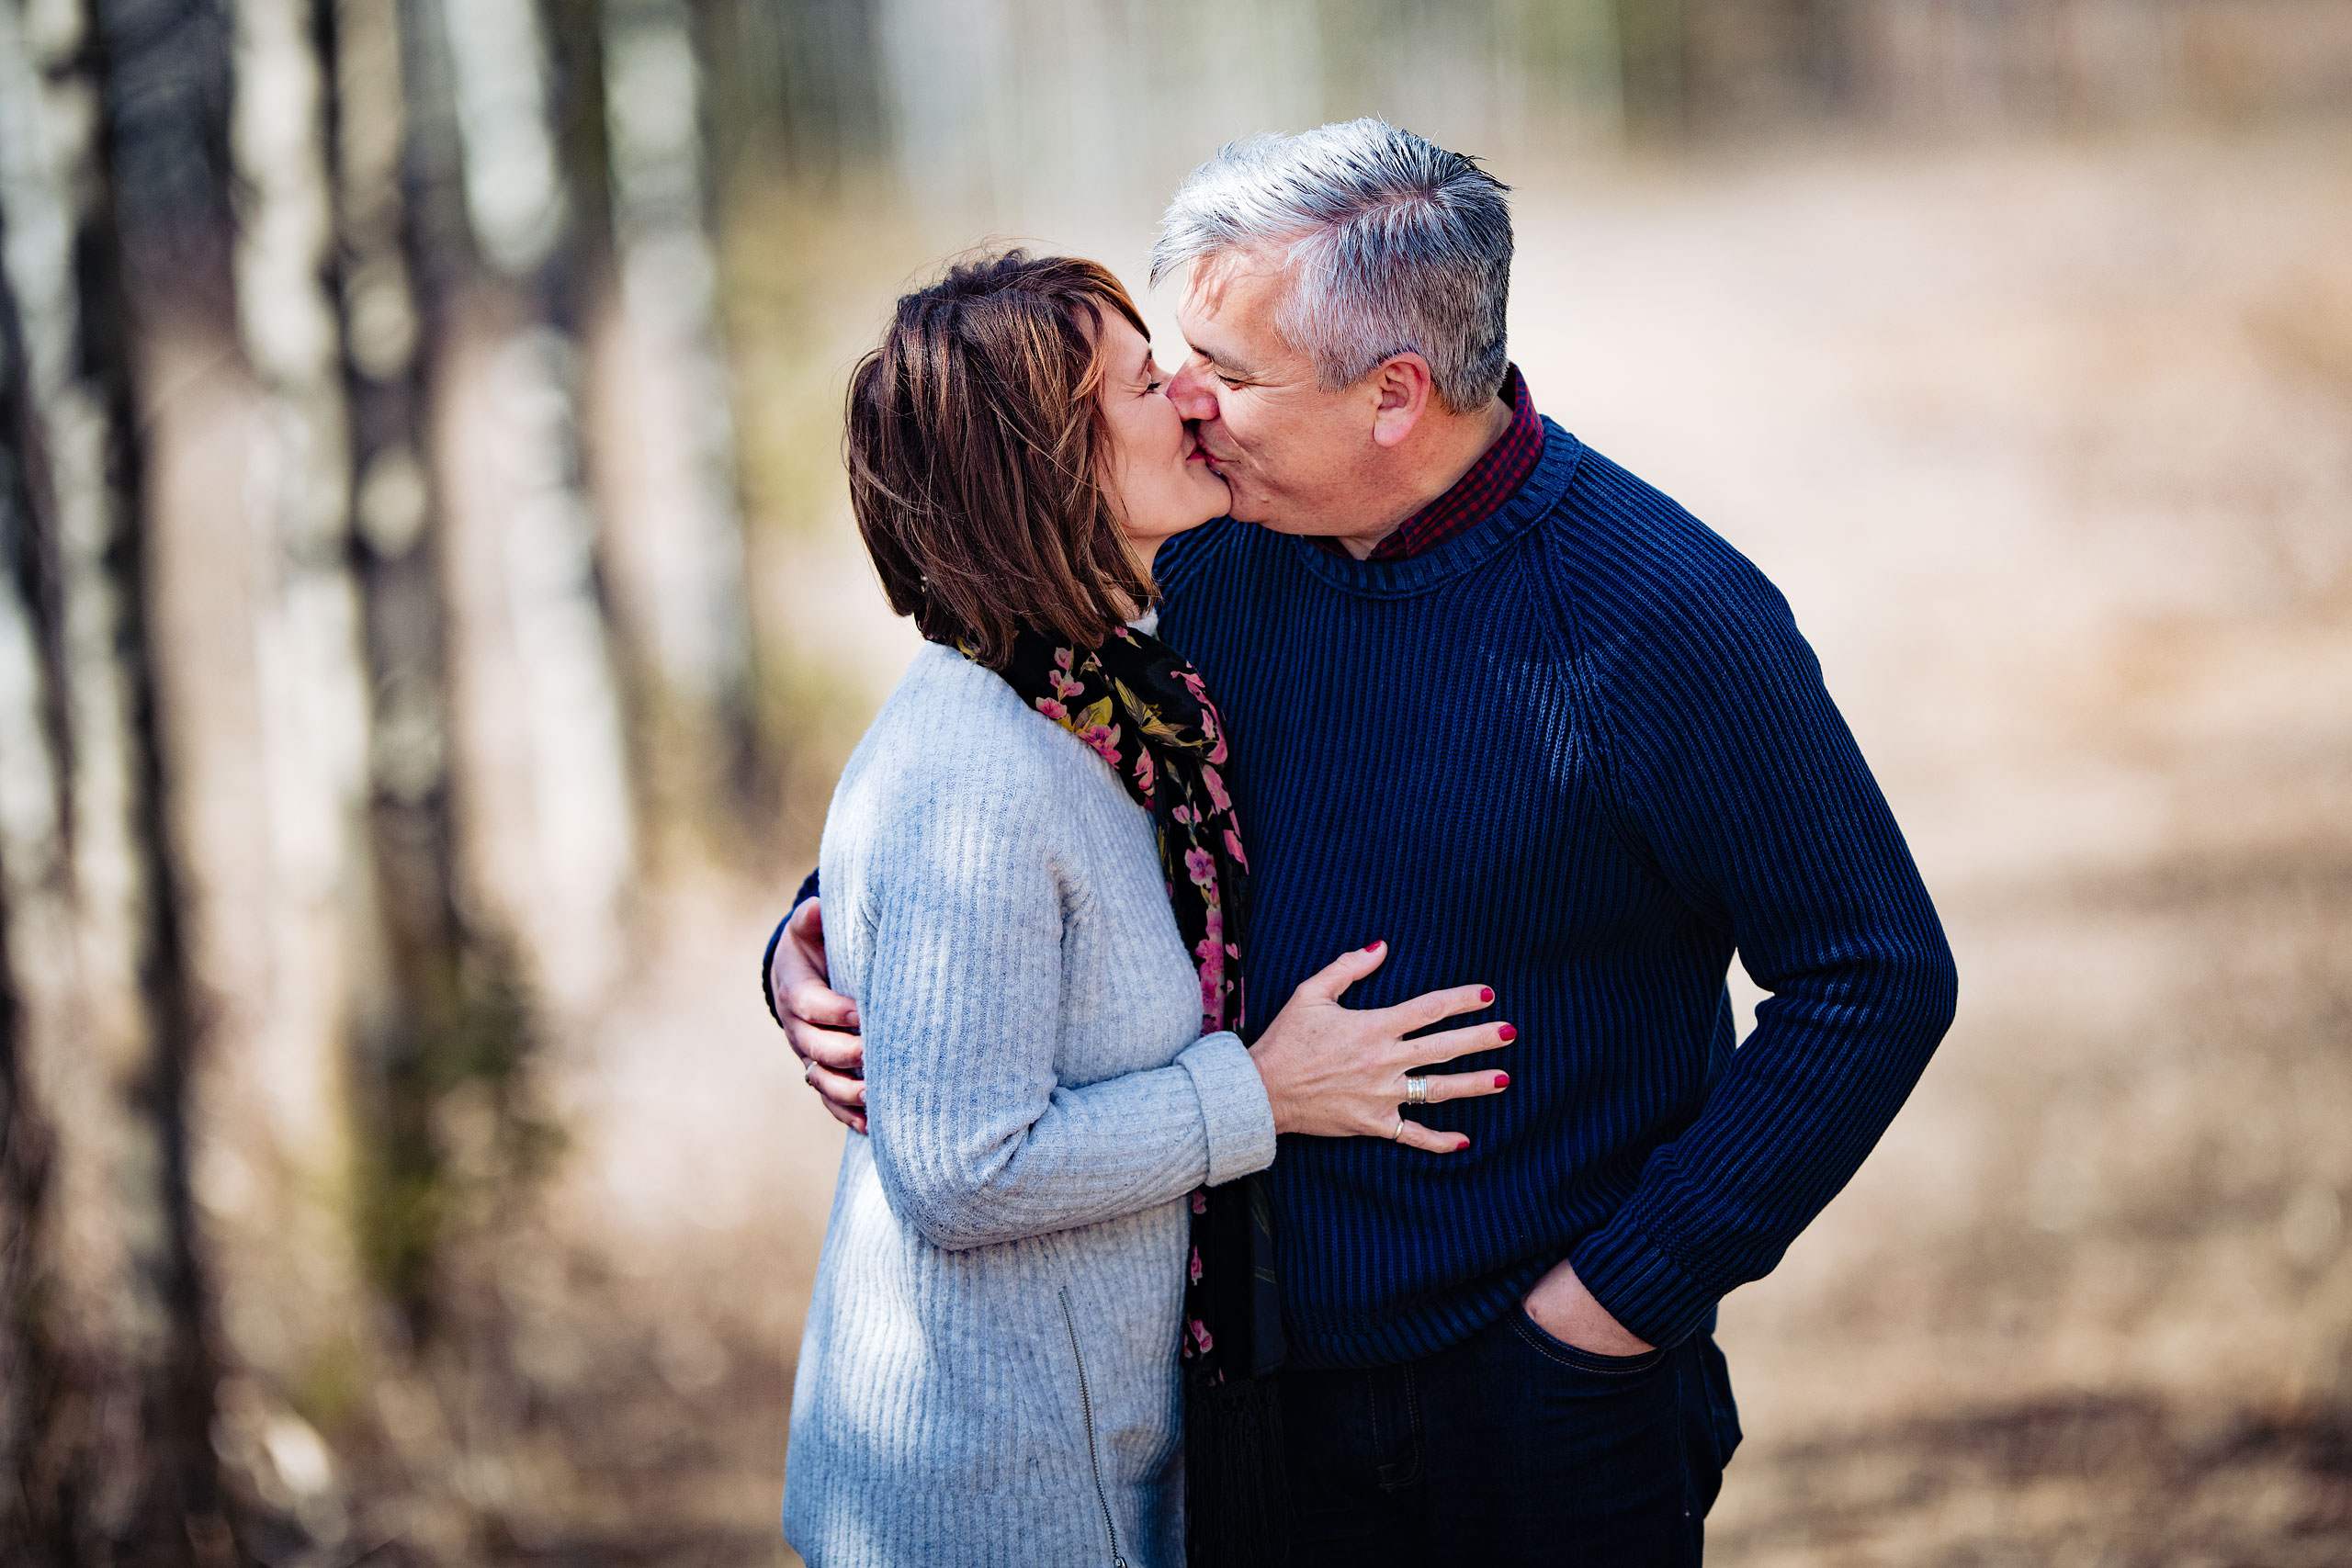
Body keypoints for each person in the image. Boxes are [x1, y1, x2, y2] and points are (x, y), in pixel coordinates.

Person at [774, 123, 1959, 1565]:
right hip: (1237, 1412)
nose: (1186, 404)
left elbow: (1874, 976)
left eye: (1234, 371)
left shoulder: (1660, 619)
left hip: (1538, 1412)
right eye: (1176, 356)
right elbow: (1006, 782)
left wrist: (1616, 1304)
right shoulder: (1202, 553)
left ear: (1395, 393)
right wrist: (811, 945)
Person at [778, 250, 1517, 1568]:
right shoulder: (978, 767)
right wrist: (1262, 1094)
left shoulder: (1118, 699)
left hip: (1097, 1437)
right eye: (1139, 380)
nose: (1187, 392)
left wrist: (804, 936)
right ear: (1049, 465)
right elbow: (959, 1168)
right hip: (985, 1490)